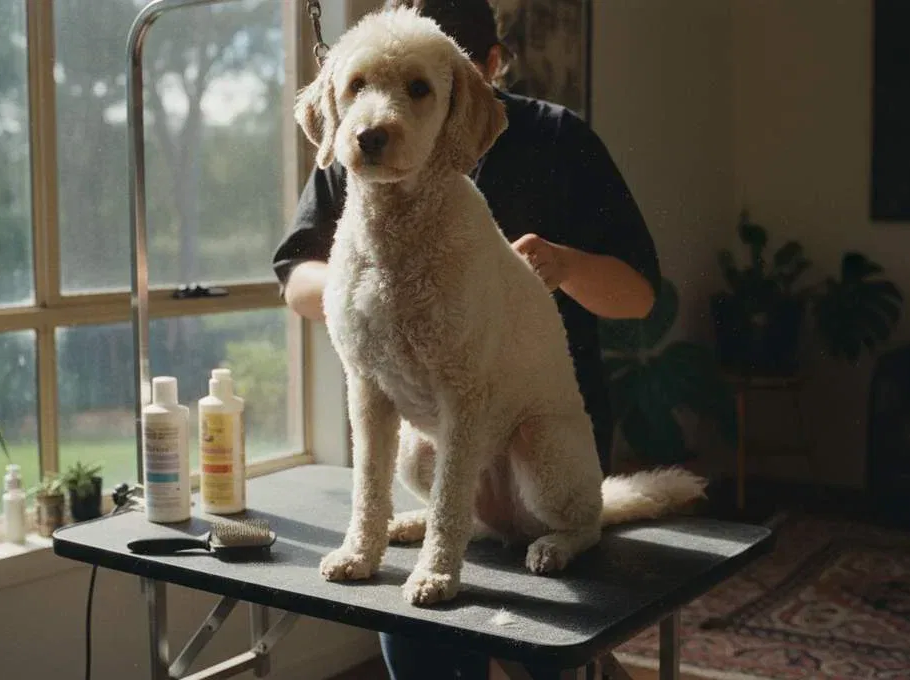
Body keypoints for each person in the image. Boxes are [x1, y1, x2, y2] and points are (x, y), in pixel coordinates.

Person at [272, 1, 662, 677]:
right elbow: (297, 279)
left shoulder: (558, 138)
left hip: (537, 437)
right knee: (414, 643)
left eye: (419, 87)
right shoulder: (353, 147)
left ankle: (571, 537)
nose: (378, 112)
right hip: (440, 443)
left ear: (482, 71)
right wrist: (367, 283)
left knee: (548, 652)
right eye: (361, 84)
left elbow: (641, 295)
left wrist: (563, 266)